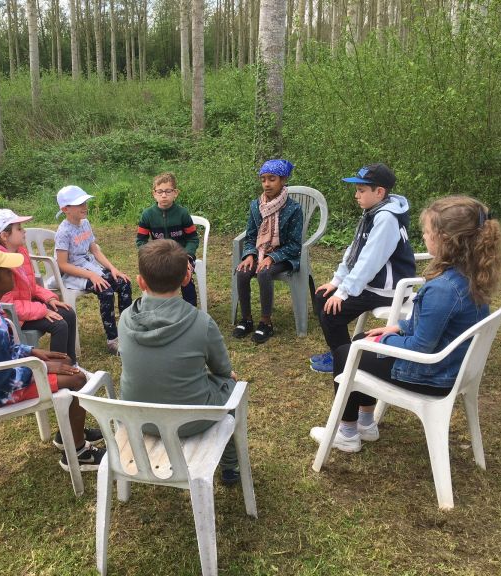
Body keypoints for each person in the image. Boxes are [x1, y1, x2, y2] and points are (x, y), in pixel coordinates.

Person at [310, 195, 501, 453]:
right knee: (360, 342)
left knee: (345, 353)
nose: (423, 237)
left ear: (446, 240)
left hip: (433, 374)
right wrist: (398, 328)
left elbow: (421, 347)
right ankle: (366, 423)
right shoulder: (468, 275)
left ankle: (347, 432)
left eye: (427, 232)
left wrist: (385, 341)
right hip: (453, 367)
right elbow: (437, 324)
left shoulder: (443, 289)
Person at [0, 243, 105, 471]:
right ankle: (78, 452)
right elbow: (0, 378)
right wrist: (42, 368)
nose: (13, 272)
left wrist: (31, 352)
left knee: (67, 363)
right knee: (77, 379)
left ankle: (69, 434)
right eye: (6, 270)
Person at [119, 239, 242, 485]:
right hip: (191, 422)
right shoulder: (202, 323)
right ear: (186, 279)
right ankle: (230, 467)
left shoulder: (124, 319)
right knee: (231, 386)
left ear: (141, 281)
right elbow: (222, 371)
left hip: (138, 418)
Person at [310, 163, 416, 372]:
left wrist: (343, 292)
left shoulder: (385, 218)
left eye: (361, 190)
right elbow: (354, 251)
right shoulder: (373, 212)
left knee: (331, 313)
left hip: (388, 290)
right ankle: (340, 352)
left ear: (379, 192)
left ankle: (344, 360)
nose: (356, 196)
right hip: (374, 285)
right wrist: (336, 282)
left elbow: (369, 262)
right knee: (322, 296)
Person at [0, 209, 79, 365]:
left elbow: (31, 286)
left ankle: (71, 363)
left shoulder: (20, 251)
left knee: (68, 312)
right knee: (59, 325)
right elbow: (7, 305)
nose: (24, 231)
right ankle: (57, 368)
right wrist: (42, 310)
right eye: (19, 228)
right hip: (12, 317)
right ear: (4, 236)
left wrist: (50, 298)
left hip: (26, 307)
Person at [53, 185, 133, 355]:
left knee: (124, 283)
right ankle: (113, 340)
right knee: (106, 290)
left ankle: (128, 331)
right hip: (73, 274)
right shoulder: (63, 231)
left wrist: (112, 268)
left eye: (85, 202)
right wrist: (91, 275)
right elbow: (63, 265)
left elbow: (95, 250)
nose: (84, 206)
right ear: (65, 209)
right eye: (79, 204)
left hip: (90, 267)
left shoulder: (85, 223)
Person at [233, 159, 304, 344]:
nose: (266, 184)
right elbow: (251, 236)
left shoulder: (294, 209)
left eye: (272, 179)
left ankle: (266, 322)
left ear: (283, 180)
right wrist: (249, 255)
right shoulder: (255, 206)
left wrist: (272, 258)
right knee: (242, 271)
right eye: (263, 179)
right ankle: (246, 319)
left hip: (284, 255)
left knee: (264, 273)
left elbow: (295, 245)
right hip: (260, 251)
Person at [136, 172, 199, 306]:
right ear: (154, 194)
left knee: (186, 278)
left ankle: (191, 309)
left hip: (181, 256)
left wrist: (187, 256)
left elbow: (193, 238)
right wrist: (149, 255)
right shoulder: (147, 215)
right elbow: (141, 240)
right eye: (160, 192)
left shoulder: (182, 214)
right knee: (153, 279)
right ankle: (155, 308)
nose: (164, 195)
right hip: (158, 256)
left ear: (175, 193)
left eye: (168, 191)